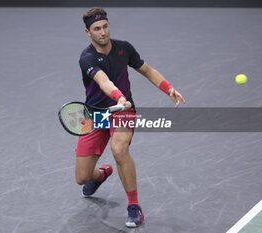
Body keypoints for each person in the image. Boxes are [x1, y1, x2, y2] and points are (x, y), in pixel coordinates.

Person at [76, 7, 185, 228]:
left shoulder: (124, 48)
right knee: (82, 177)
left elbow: (148, 70)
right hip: (96, 115)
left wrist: (168, 88)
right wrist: (118, 95)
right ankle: (100, 175)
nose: (103, 32)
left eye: (105, 26)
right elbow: (104, 82)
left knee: (119, 149)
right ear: (88, 32)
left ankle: (134, 206)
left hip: (123, 112)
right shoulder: (87, 58)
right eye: (97, 29)